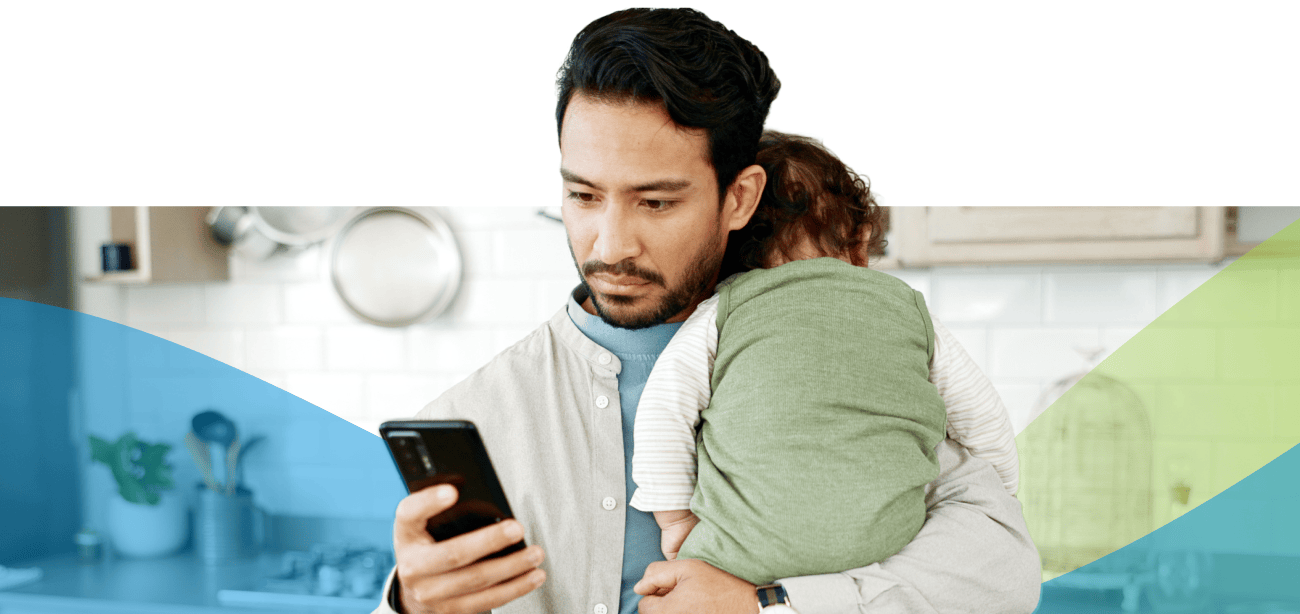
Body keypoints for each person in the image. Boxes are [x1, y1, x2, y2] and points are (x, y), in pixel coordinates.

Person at [374, 8, 1040, 614]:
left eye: (656, 202)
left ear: (740, 198)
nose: (610, 245)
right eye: (583, 196)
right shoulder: (477, 415)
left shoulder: (853, 366)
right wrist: (409, 607)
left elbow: (999, 578)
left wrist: (771, 606)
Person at [631, 130, 1021, 583]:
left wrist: (676, 519)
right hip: (887, 545)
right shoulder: (904, 305)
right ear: (860, 240)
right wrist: (1003, 492)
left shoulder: (725, 311)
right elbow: (982, 417)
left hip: (742, 552)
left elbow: (664, 411)